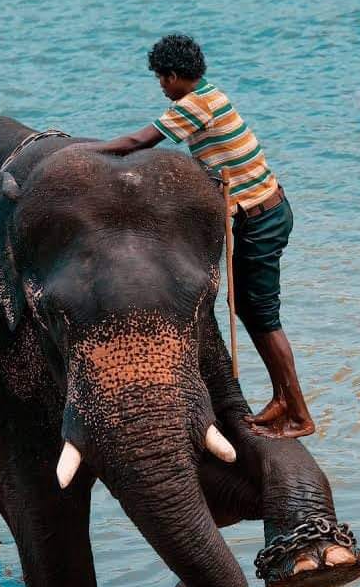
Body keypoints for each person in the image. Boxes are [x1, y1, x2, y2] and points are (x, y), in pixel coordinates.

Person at [80, 34, 315, 439]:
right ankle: (282, 398)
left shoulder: (193, 105)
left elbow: (140, 141)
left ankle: (298, 414)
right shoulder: (210, 94)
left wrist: (86, 153)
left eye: (161, 79)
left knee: (263, 316)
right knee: (246, 308)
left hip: (262, 218)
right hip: (263, 213)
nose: (161, 87)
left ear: (174, 76)